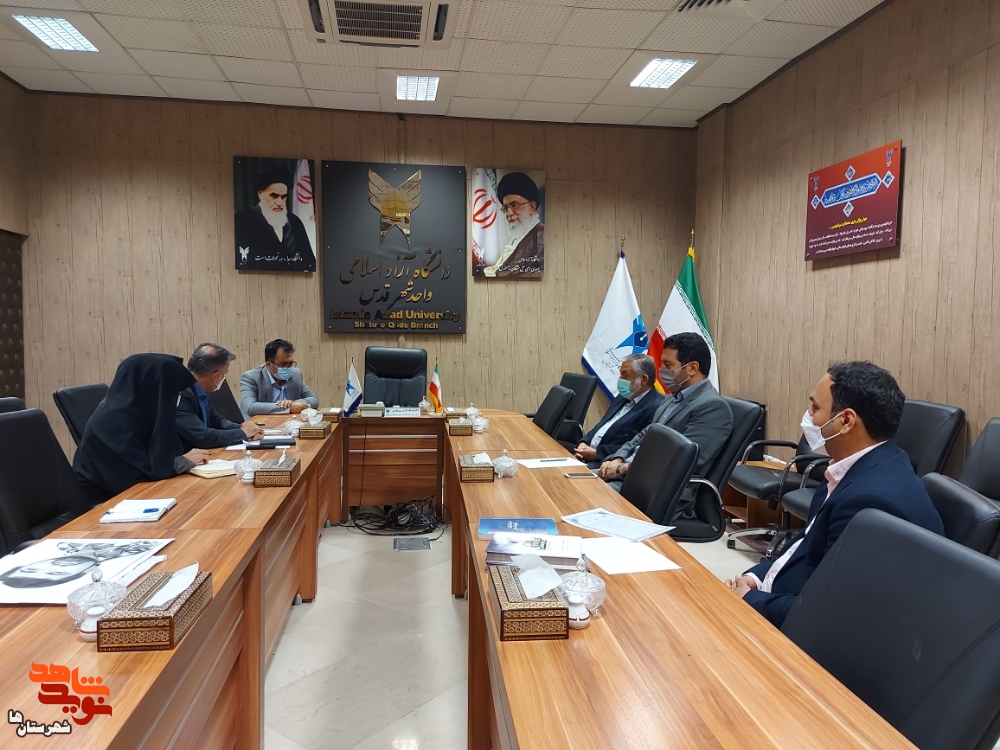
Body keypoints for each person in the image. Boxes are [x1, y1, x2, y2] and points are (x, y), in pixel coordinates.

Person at [726, 361, 944, 628]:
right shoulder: (852, 468)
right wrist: (756, 578)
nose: (808, 415)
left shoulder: (869, 504)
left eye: (815, 408)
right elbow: (805, 546)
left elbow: (831, 612)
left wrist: (751, 601)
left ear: (846, 421)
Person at [598, 332, 733, 519]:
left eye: (668, 365)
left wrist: (622, 470)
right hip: (632, 478)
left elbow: (681, 463)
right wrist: (618, 458)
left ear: (692, 368)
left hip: (658, 492)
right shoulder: (671, 398)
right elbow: (644, 434)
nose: (661, 370)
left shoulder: (712, 407)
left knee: (582, 501)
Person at [72, 354, 210, 506]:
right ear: (153, 386)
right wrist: (183, 462)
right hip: (103, 503)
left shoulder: (144, 410)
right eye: (172, 391)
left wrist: (185, 459)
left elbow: (166, 453)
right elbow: (139, 470)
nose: (176, 396)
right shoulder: (115, 419)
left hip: (137, 495)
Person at [573, 354, 663, 466]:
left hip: (607, 463)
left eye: (625, 375)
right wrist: (584, 442)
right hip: (585, 455)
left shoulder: (656, 407)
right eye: (620, 374)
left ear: (643, 379)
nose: (620, 379)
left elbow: (635, 445)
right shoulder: (622, 397)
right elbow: (601, 425)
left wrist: (597, 454)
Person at [176, 343, 262, 451]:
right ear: (216, 376)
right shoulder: (180, 394)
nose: (223, 378)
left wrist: (245, 428)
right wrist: (242, 433)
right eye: (224, 374)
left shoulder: (201, 390)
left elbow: (218, 422)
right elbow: (202, 436)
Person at [235, 166, 316, 271]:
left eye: (283, 197)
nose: (279, 202)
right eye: (274, 195)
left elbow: (309, 263)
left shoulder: (294, 222)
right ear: (260, 195)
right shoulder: (242, 220)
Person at [485, 171, 543, 278]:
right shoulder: (517, 239)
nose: (509, 213)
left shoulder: (542, 237)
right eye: (506, 208)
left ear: (532, 207)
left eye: (514, 205)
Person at [240, 339, 319, 416]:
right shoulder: (251, 377)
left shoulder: (295, 374)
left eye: (290, 364)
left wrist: (292, 403)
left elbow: (314, 400)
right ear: (269, 365)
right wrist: (287, 408)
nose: (288, 368)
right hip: (260, 423)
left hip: (287, 421)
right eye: (283, 364)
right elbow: (250, 407)